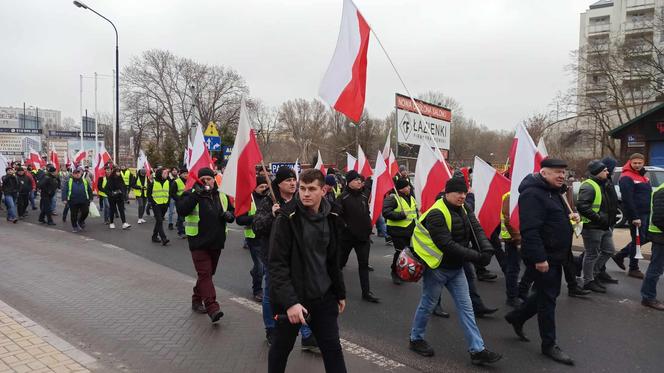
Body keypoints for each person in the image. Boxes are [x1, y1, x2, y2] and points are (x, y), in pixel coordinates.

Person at [408, 177, 502, 365]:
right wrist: (477, 257)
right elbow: (447, 245)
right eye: (458, 192)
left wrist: (487, 250)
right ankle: (415, 339)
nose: (462, 196)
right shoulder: (436, 213)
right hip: (437, 269)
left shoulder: (465, 208)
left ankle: (477, 350)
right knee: (427, 305)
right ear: (447, 193)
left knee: (466, 309)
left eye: (464, 192)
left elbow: (477, 230)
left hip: (456, 268)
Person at [268, 169, 347, 373]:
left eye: (311, 189)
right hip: (294, 301)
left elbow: (333, 260)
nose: (305, 194)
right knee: (280, 350)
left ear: (323, 190)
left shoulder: (332, 215)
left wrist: (339, 293)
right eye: (302, 188)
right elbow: (277, 264)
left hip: (324, 298)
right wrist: (290, 302)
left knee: (333, 350)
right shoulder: (286, 219)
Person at [505, 158, 577, 366]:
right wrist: (539, 259)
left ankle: (517, 317)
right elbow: (530, 230)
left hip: (556, 255)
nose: (562, 176)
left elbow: (553, 220)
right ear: (544, 173)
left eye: (563, 172)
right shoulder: (532, 194)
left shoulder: (554, 192)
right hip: (544, 257)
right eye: (557, 172)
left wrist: (572, 218)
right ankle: (549, 345)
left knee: (546, 295)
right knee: (548, 301)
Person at [253, 166, 317, 351]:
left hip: (297, 254)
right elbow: (257, 226)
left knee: (300, 293)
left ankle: (306, 334)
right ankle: (271, 329)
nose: (292, 183)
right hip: (273, 255)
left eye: (293, 179)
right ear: (279, 183)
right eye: (288, 180)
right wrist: (272, 215)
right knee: (271, 293)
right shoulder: (269, 201)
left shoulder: (300, 200)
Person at [177, 167, 235, 323]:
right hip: (198, 242)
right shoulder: (191, 193)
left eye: (209, 179)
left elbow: (231, 212)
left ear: (214, 179)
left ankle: (196, 299)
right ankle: (212, 307)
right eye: (203, 179)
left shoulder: (221, 195)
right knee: (205, 274)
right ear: (199, 180)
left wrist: (229, 215)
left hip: (216, 241)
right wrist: (197, 193)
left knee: (207, 274)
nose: (207, 182)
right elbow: (182, 210)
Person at [338, 170, 379, 303]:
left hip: (363, 238)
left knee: (364, 265)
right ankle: (334, 287)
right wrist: (346, 228)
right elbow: (337, 218)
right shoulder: (342, 198)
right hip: (347, 239)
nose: (359, 182)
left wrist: (368, 230)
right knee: (339, 264)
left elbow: (365, 214)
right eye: (356, 180)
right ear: (349, 182)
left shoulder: (363, 197)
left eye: (360, 180)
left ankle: (366, 292)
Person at [577, 160, 618, 293]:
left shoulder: (603, 183)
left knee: (609, 250)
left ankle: (594, 274)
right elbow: (582, 206)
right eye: (604, 170)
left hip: (604, 226)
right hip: (593, 227)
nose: (608, 172)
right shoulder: (589, 185)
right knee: (591, 254)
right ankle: (588, 281)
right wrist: (600, 219)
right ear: (597, 172)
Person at [614, 153, 651, 279]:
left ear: (643, 162)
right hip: (636, 215)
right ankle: (633, 268)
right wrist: (634, 216)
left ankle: (621, 255)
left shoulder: (643, 176)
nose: (637, 165)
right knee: (638, 240)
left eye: (640, 163)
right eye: (635, 163)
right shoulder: (626, 177)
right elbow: (628, 199)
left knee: (645, 237)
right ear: (630, 162)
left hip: (645, 213)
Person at [236, 175, 270, 302]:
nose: (264, 189)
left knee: (264, 265)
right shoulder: (248, 199)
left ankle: (255, 271)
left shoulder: (270, 198)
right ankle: (257, 290)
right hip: (253, 238)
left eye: (266, 186)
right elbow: (239, 219)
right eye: (261, 187)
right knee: (261, 265)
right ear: (254, 188)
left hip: (267, 236)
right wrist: (256, 218)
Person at [383, 177, 418, 285]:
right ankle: (395, 272)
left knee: (406, 253)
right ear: (401, 189)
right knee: (400, 252)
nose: (409, 187)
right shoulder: (393, 198)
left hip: (409, 230)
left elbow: (414, 212)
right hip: (397, 231)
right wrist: (400, 215)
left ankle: (402, 272)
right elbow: (386, 212)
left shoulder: (411, 197)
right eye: (407, 186)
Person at [642, 178, 664, 310]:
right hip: (660, 236)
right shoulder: (662, 191)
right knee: (656, 268)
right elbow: (659, 218)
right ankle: (648, 297)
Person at [500, 190, 523, 308]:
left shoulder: (518, 194)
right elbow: (508, 219)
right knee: (513, 269)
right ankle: (512, 297)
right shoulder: (510, 196)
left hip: (519, 238)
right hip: (513, 239)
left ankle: (520, 292)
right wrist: (518, 239)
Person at [63, 167, 93, 233]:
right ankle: (75, 227)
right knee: (74, 214)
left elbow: (89, 190)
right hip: (73, 201)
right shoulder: (69, 181)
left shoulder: (84, 181)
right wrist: (64, 199)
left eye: (78, 173)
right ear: (73, 174)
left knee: (86, 212)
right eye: (75, 173)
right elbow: (64, 190)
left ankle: (80, 221)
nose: (77, 174)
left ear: (80, 174)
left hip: (84, 200)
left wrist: (91, 198)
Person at [148, 167, 171, 245]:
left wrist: (168, 202)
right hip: (156, 204)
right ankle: (163, 238)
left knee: (159, 221)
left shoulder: (168, 182)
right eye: (164, 173)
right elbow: (149, 194)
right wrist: (153, 203)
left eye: (166, 173)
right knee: (160, 221)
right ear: (159, 174)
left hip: (165, 204)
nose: (166, 174)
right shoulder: (153, 182)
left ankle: (154, 236)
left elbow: (169, 193)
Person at [169, 168, 188, 238]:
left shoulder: (189, 181)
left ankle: (185, 230)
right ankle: (180, 232)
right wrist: (179, 199)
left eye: (186, 173)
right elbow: (172, 193)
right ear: (180, 174)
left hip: (187, 202)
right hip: (180, 202)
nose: (186, 175)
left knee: (186, 217)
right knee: (181, 217)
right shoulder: (176, 182)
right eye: (184, 173)